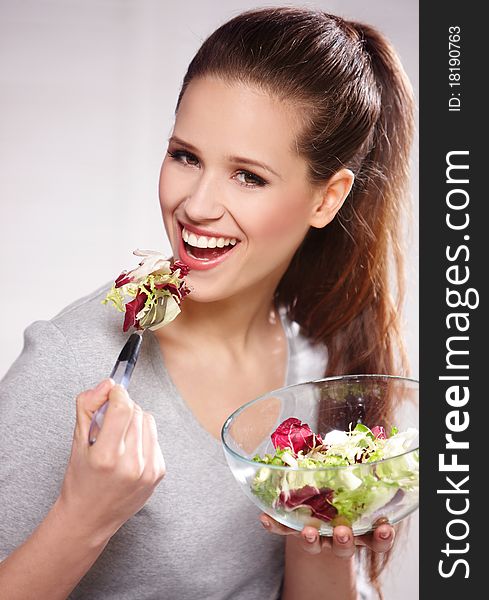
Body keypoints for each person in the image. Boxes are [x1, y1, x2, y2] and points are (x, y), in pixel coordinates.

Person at [0, 6, 415, 600]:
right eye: (185, 156)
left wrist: (317, 531)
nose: (196, 205)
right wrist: (82, 519)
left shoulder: (320, 364)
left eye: (247, 176)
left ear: (328, 198)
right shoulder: (71, 360)